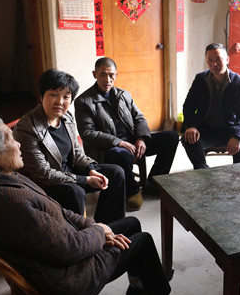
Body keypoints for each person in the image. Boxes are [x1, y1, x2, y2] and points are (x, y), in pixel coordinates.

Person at [0, 115, 198, 295]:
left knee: (130, 223)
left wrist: (94, 226)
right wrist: (98, 232)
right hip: (66, 282)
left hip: (59, 262)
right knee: (142, 242)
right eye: (9, 138)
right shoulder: (8, 202)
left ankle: (137, 285)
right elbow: (69, 249)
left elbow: (60, 212)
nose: (18, 143)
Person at [13, 69, 133, 221]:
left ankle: (108, 226)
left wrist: (90, 170)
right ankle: (80, 231)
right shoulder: (27, 128)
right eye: (53, 95)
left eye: (66, 97)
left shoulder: (66, 117)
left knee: (116, 173)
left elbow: (77, 152)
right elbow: (43, 173)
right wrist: (85, 180)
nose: (60, 102)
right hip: (46, 183)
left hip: (70, 172)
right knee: (75, 192)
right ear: (41, 96)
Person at [75, 57, 179, 199]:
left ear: (116, 75)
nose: (107, 79)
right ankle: (132, 190)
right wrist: (118, 142)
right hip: (106, 148)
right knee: (121, 154)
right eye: (103, 74)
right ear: (95, 74)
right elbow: (88, 133)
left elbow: (139, 118)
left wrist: (141, 138)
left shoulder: (124, 95)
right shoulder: (84, 101)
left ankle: (153, 183)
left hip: (132, 142)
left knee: (171, 137)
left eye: (111, 75)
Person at [181, 43, 240, 169]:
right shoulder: (200, 79)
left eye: (218, 59)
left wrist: (237, 135)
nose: (214, 64)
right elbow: (189, 106)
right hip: (205, 129)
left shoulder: (239, 82)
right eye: (210, 60)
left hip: (229, 128)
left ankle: (239, 171)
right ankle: (203, 172)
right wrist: (191, 126)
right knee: (188, 137)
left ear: (227, 59)